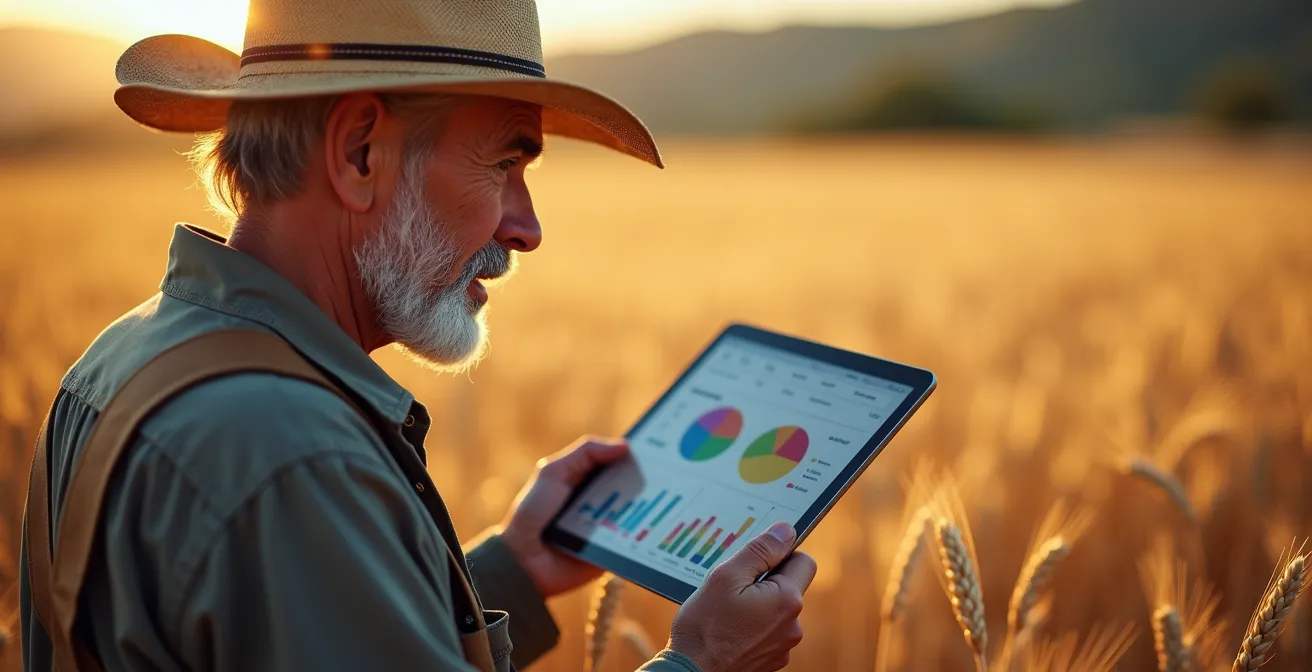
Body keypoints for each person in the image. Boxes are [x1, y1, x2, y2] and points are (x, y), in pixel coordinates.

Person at [19, 1, 818, 670]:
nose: (528, 226)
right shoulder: (295, 454)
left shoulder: (124, 359)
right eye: (505, 161)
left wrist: (515, 571)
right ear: (359, 153)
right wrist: (702, 661)